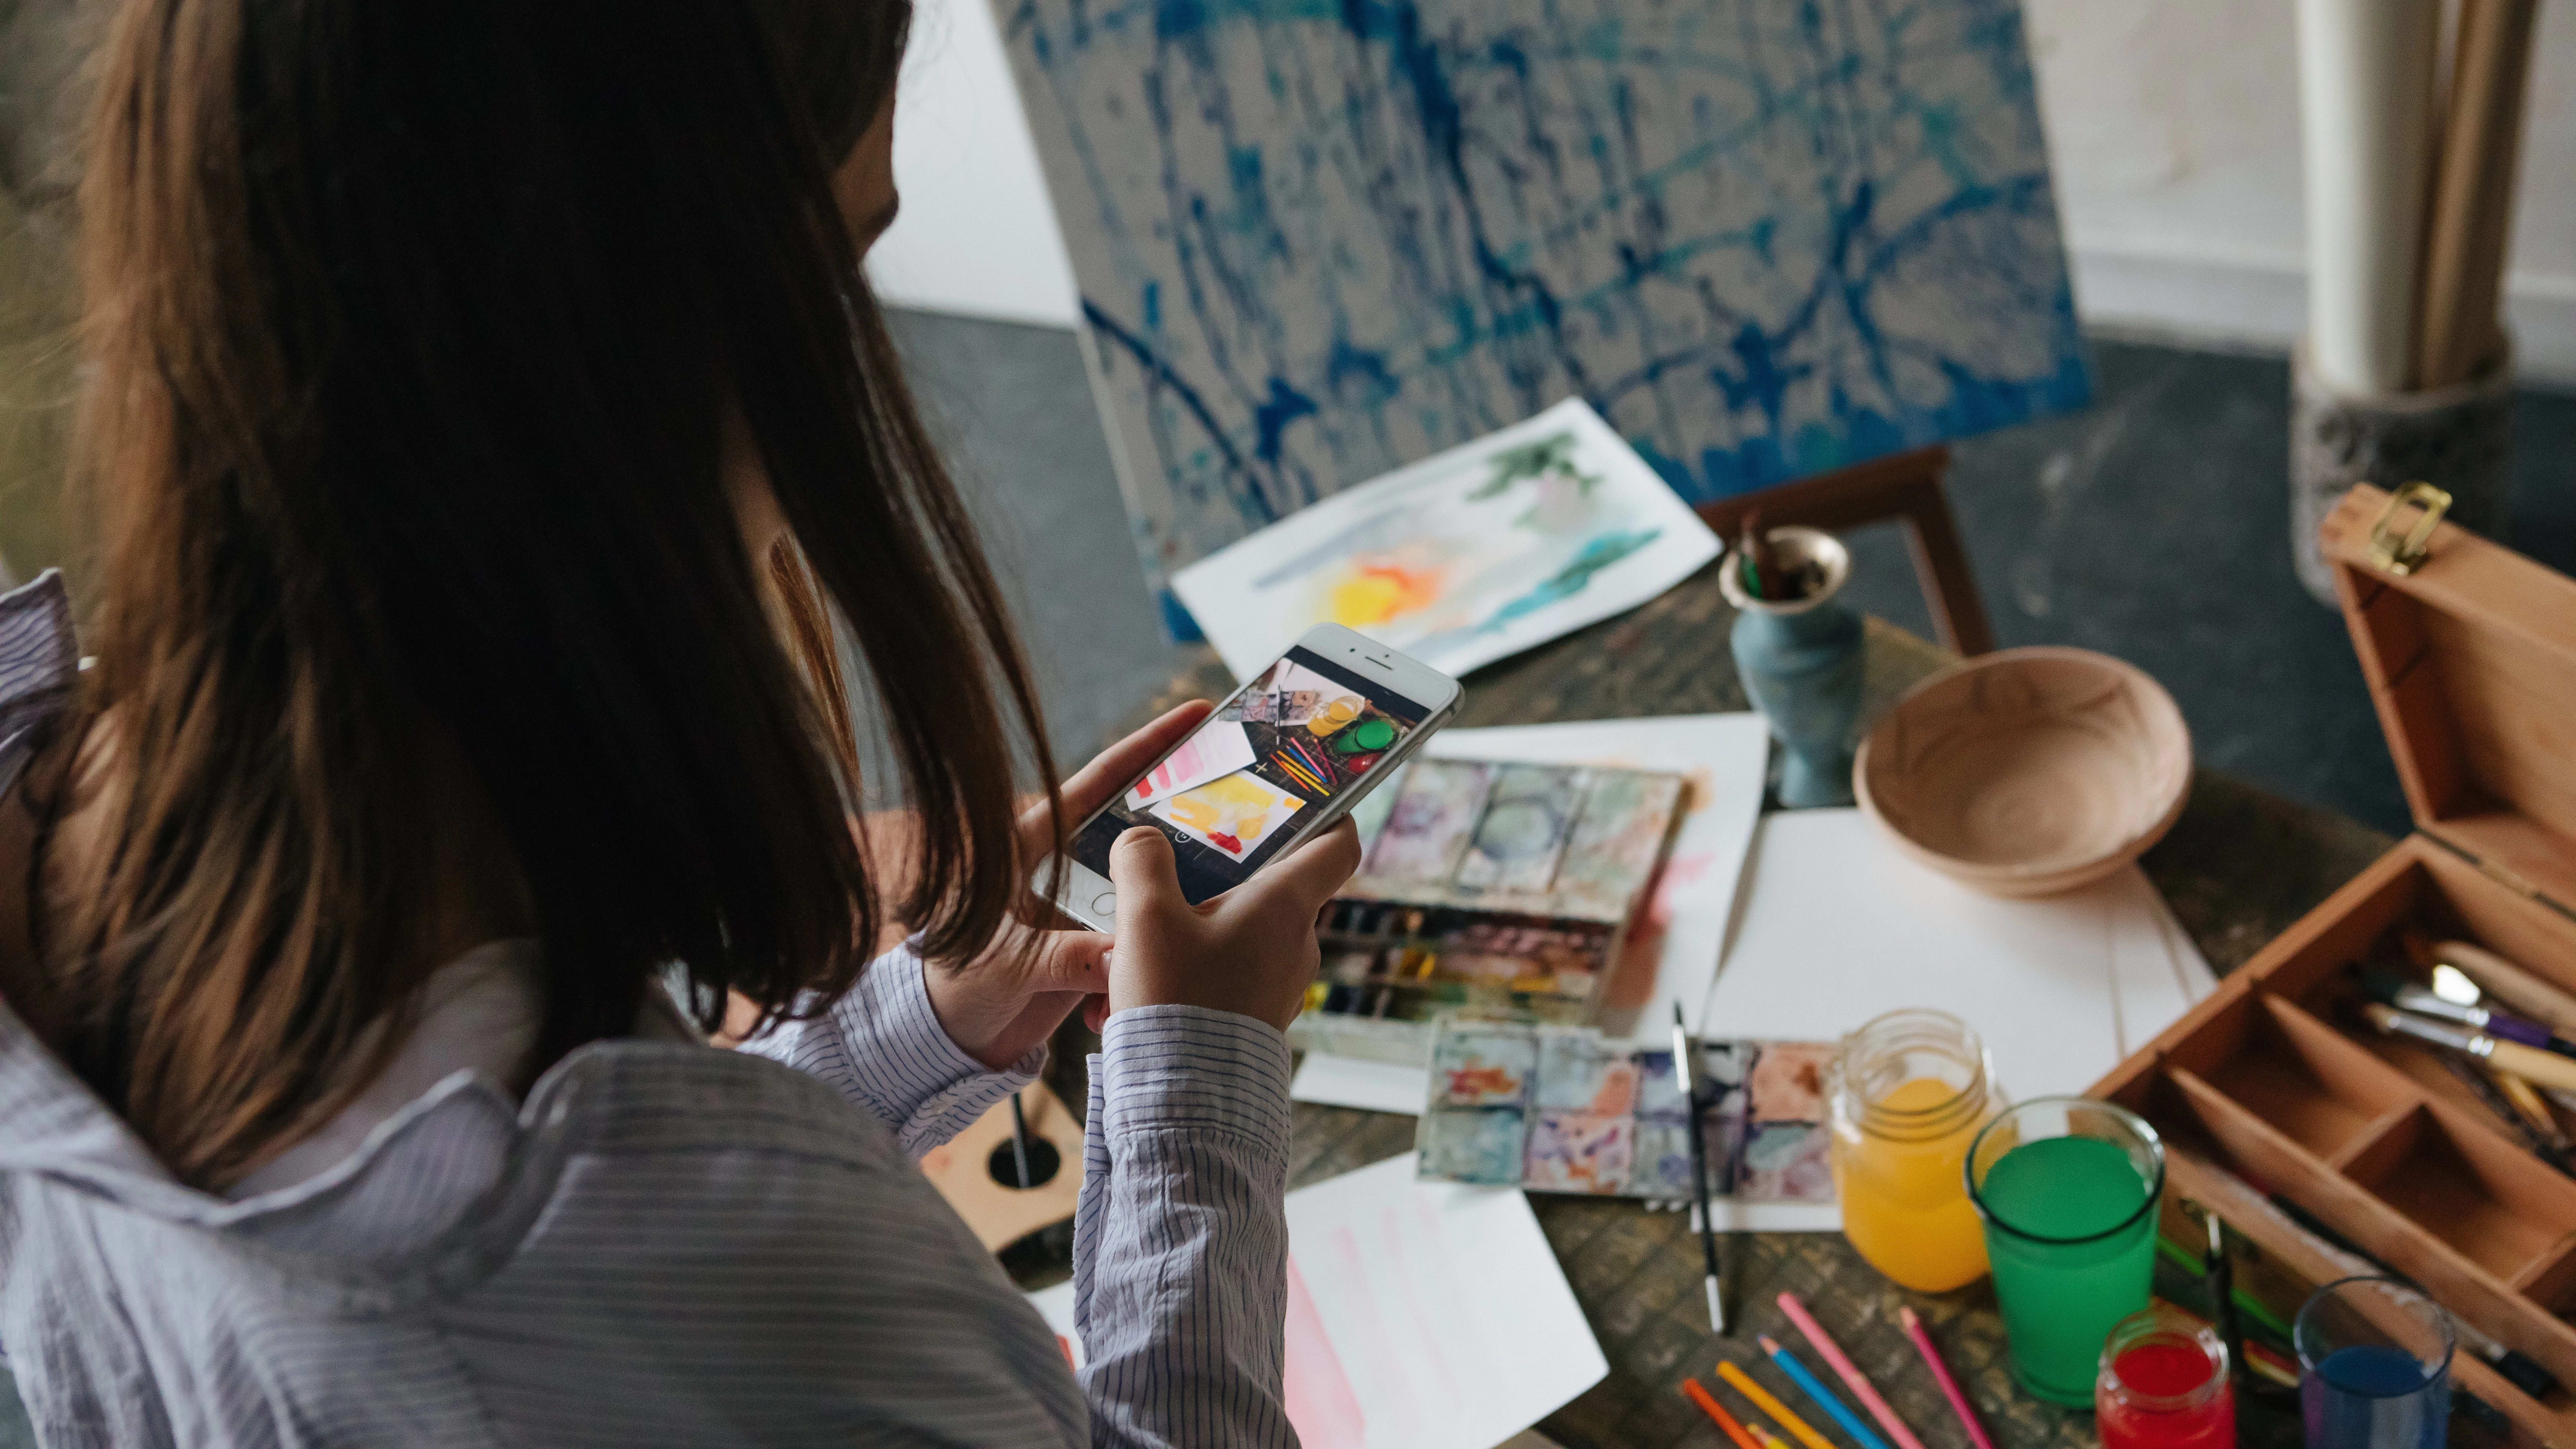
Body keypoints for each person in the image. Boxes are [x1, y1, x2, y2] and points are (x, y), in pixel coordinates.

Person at [0, 0, 1361, 1443]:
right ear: (638, 369)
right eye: (843, 263)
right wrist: (1196, 1085)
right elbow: (633, 1268)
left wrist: (910, 1027)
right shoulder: (643, 1269)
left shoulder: (58, 784)